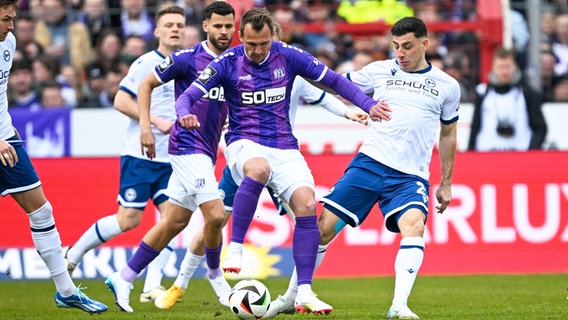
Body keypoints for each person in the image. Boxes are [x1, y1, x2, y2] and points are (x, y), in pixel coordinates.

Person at [175, 8, 390, 315]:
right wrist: (184, 111)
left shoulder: (290, 56)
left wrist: (368, 104)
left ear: (272, 37)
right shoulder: (226, 62)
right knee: (258, 169)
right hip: (243, 142)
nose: (257, 51)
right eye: (251, 44)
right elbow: (189, 94)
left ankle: (303, 292)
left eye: (263, 44)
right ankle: (235, 248)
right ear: (241, 37)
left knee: (306, 206)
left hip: (285, 146)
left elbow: (333, 82)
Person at [264, 16, 459, 319]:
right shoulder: (379, 71)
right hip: (369, 165)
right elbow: (332, 82)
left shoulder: (448, 86)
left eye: (407, 46)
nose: (400, 53)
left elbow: (448, 133)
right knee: (322, 230)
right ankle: (293, 296)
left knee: (414, 226)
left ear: (425, 44)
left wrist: (446, 182)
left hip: (410, 176)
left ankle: (399, 305)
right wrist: (297, 69)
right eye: (396, 46)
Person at [103, 1, 235, 313]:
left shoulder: (236, 62)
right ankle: (215, 275)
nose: (224, 31)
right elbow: (147, 84)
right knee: (215, 215)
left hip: (206, 149)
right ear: (204, 26)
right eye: (218, 25)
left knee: (174, 221)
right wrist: (146, 128)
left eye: (229, 26)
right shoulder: (187, 59)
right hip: (185, 148)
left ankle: (124, 276)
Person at [63, 4, 186, 305]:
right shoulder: (146, 63)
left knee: (172, 220)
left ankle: (151, 286)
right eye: (169, 24)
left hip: (173, 158)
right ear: (157, 31)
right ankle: (73, 254)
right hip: (141, 155)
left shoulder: (189, 64)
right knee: (128, 219)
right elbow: (120, 100)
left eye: (180, 25)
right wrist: (152, 121)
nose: (175, 29)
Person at [0, 0, 107, 314]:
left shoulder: (9, 42)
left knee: (42, 210)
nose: (11, 26)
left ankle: (66, 291)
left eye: (12, 18)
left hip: (6, 138)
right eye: (5, 19)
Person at [468, 47, 548, 151]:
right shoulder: (482, 93)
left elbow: (540, 128)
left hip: (520, 155)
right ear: (493, 67)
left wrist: (531, 151)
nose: (504, 71)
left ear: (515, 66)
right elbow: (475, 127)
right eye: (500, 67)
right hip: (486, 155)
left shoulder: (527, 93)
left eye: (507, 67)